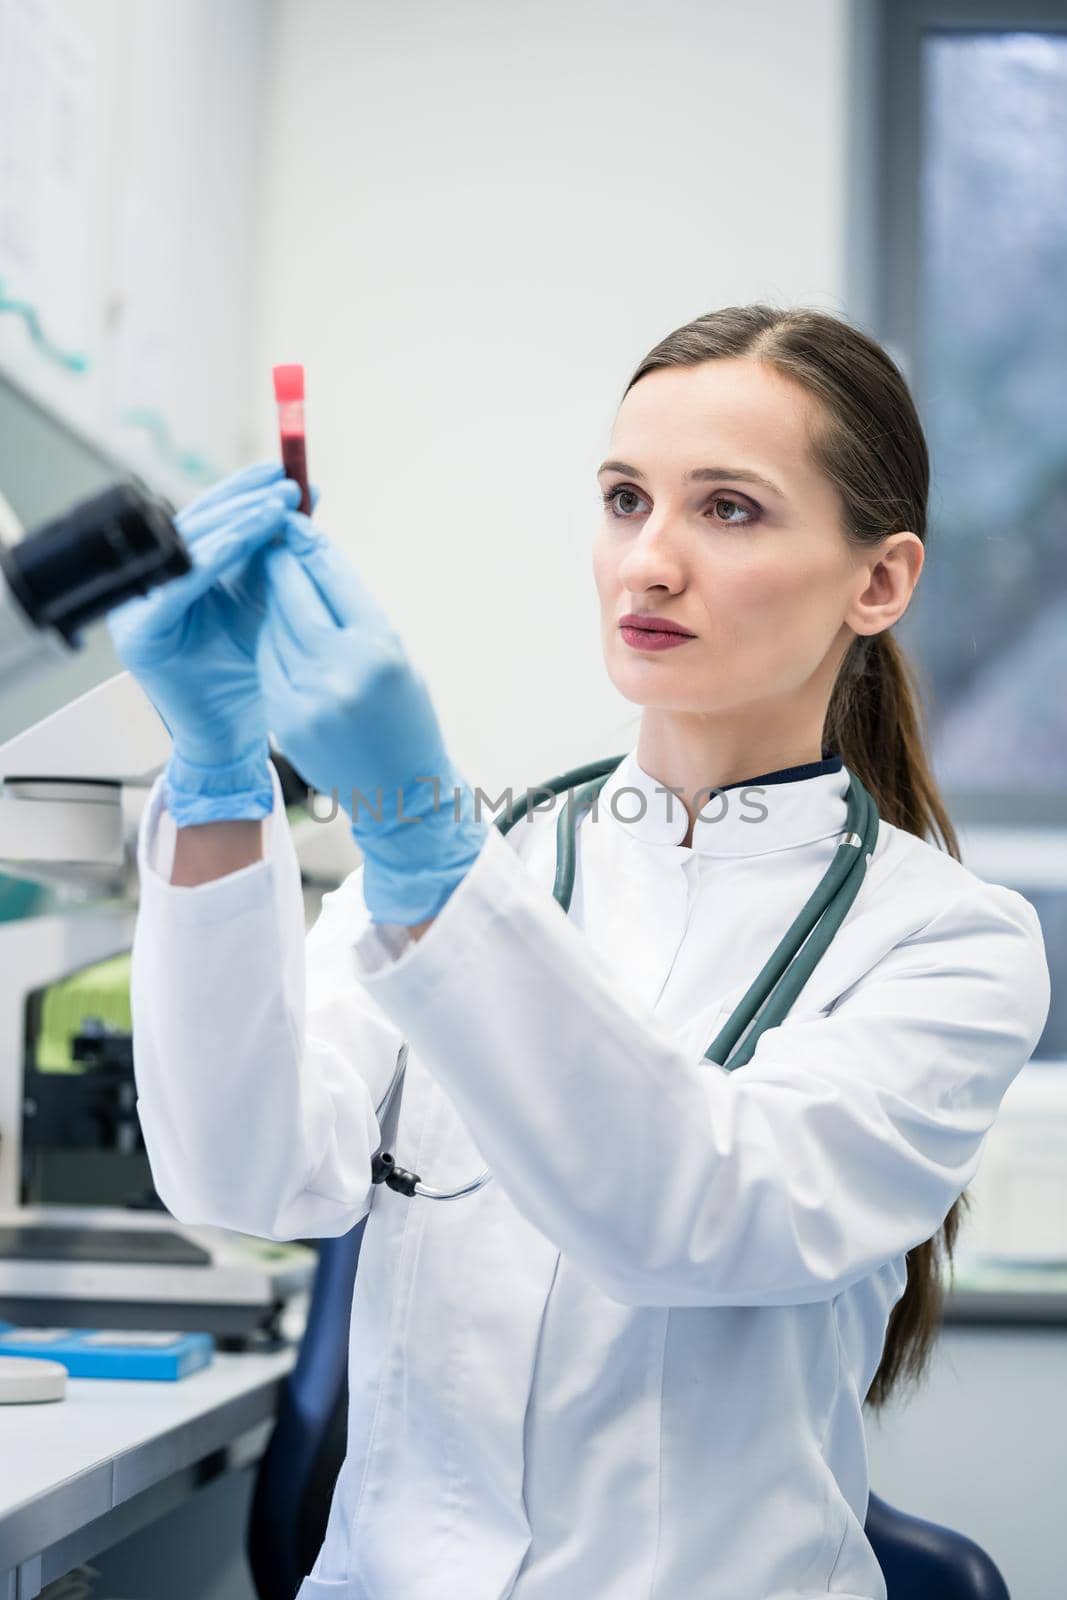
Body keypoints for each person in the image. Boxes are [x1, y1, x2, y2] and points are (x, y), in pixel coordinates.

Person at [110, 304, 1051, 1600]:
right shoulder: (464, 858)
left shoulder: (950, 944)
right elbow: (247, 1178)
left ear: (878, 581)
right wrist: (217, 774)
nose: (647, 563)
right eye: (624, 499)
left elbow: (695, 1214)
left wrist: (423, 843)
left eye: (728, 509)